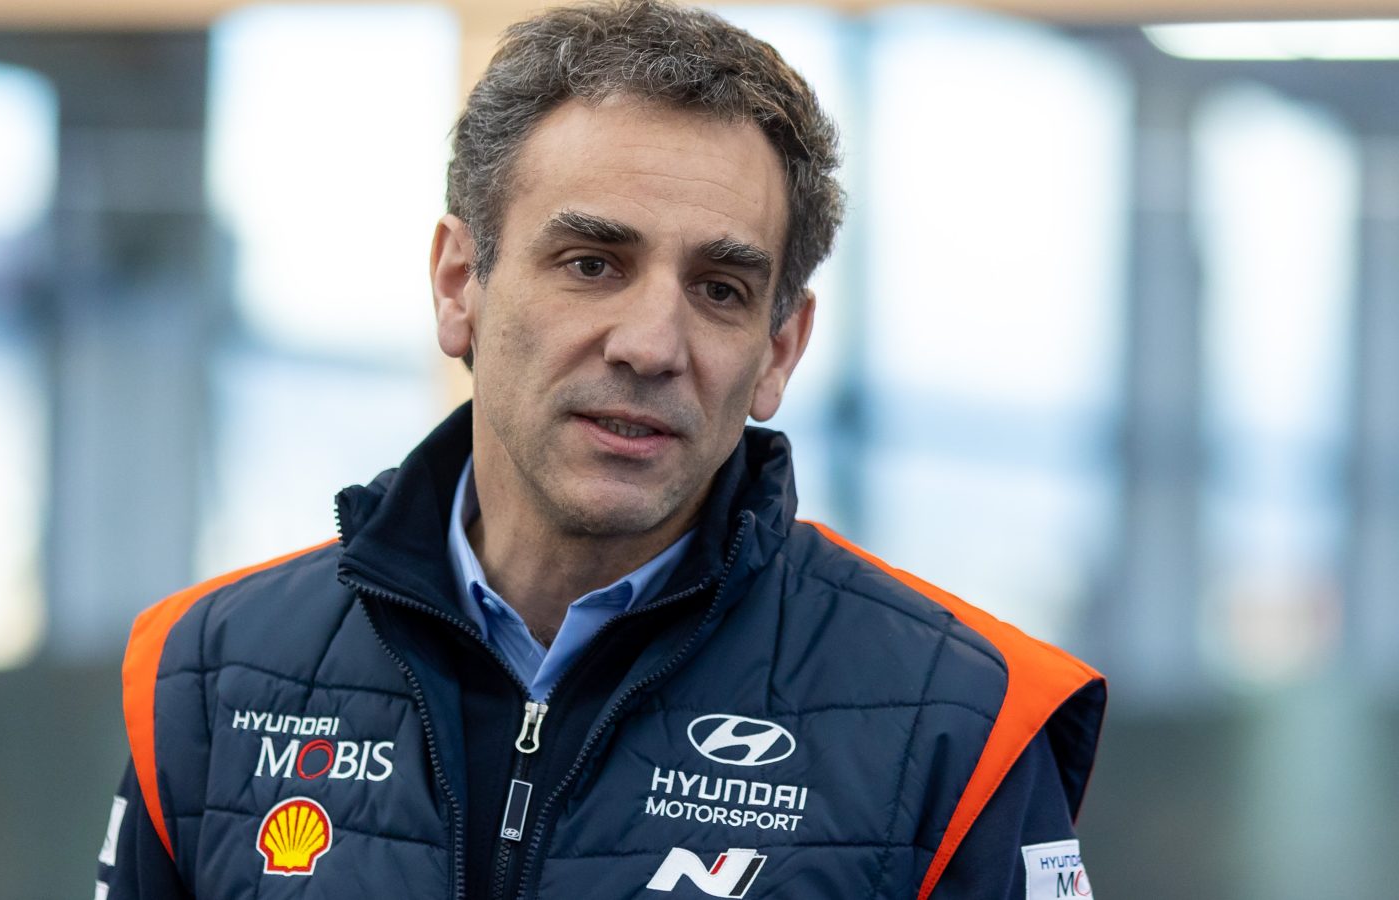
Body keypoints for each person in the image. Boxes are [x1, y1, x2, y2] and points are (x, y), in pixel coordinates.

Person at [94, 1, 1105, 897]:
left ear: (778, 350)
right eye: (591, 263)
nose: (651, 345)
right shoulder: (210, 677)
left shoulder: (964, 729)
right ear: (459, 285)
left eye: (720, 290)